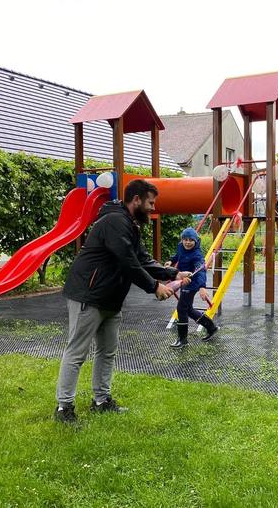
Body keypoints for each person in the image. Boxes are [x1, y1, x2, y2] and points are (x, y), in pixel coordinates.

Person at [54, 179, 191, 423]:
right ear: (136, 200)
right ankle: (64, 408)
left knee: (107, 351)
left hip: (111, 298)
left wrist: (173, 274)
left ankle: (101, 401)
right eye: (150, 203)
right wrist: (154, 287)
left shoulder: (130, 224)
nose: (153, 208)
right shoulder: (115, 221)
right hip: (88, 295)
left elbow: (142, 260)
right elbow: (127, 262)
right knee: (77, 352)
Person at [167, 227, 218, 349]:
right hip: (184, 281)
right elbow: (178, 256)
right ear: (182, 240)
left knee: (181, 308)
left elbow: (201, 270)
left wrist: (202, 287)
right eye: (185, 239)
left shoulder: (197, 255)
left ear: (196, 241)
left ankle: (182, 339)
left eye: (191, 240)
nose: (188, 242)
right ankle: (211, 327)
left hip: (193, 283)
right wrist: (170, 261)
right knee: (188, 309)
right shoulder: (181, 246)